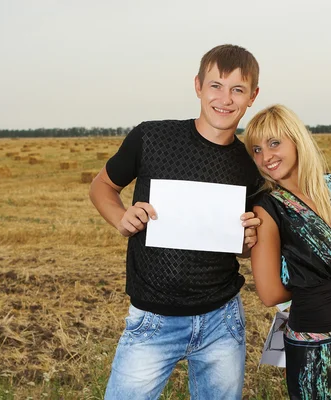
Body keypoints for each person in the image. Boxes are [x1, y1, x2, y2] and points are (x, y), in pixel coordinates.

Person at [89, 44, 263, 400]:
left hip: (221, 320)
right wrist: (121, 217)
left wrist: (248, 243)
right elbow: (102, 186)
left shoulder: (251, 165)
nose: (225, 99)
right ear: (198, 86)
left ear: (253, 96)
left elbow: (245, 249)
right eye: (216, 85)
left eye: (237, 89)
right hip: (153, 319)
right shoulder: (151, 137)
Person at [243, 105, 331, 399]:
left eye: (274, 143)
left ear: (297, 139)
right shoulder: (267, 208)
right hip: (321, 338)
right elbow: (269, 294)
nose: (265, 157)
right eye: (256, 149)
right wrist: (317, 287)